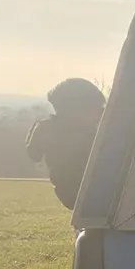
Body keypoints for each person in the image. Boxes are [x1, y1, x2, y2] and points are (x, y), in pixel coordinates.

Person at [26, 78, 106, 210]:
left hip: (73, 193)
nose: (100, 113)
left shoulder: (50, 128)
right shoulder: (82, 134)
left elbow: (34, 154)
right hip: (86, 192)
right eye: (96, 108)